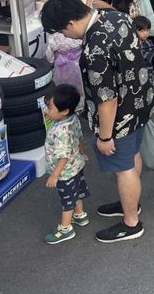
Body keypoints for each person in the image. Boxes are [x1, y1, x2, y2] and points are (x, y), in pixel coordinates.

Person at [40, 0, 154, 244]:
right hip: (140, 101)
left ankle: (131, 223)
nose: (66, 36)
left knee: (123, 168)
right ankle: (130, 204)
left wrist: (104, 137)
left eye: (62, 31)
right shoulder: (118, 17)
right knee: (132, 155)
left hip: (119, 116)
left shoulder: (95, 48)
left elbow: (107, 99)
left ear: (71, 23)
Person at [43, 84, 90, 245]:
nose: (47, 110)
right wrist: (83, 152)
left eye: (50, 108)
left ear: (64, 111)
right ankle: (80, 215)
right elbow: (79, 137)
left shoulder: (60, 131)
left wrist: (54, 176)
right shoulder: (73, 118)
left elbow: (63, 156)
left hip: (65, 173)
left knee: (67, 200)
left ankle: (65, 229)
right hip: (76, 165)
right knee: (76, 192)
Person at [45, 32, 84, 110]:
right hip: (77, 65)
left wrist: (52, 60)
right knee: (79, 86)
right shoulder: (77, 34)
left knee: (61, 86)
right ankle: (79, 105)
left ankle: (62, 105)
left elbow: (50, 56)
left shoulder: (54, 38)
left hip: (61, 68)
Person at [132, 16, 154, 86]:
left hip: (147, 73)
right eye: (141, 31)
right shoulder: (131, 43)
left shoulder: (148, 43)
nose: (145, 33)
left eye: (147, 30)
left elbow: (144, 58)